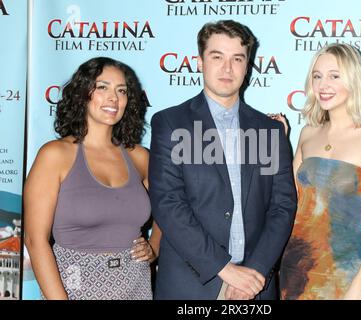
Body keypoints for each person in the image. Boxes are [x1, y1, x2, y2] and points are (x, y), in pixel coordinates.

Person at [149, 20, 297, 300]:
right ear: (200, 62)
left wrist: (255, 271)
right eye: (217, 57)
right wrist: (224, 269)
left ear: (248, 66)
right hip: (190, 287)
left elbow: (282, 206)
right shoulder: (170, 123)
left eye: (237, 59)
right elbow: (168, 203)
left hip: (255, 287)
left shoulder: (270, 131)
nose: (227, 68)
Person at [24, 57, 161, 300]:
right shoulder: (55, 155)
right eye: (103, 87)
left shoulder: (139, 157)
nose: (113, 98)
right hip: (74, 289)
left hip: (135, 287)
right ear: (83, 93)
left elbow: (170, 209)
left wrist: (155, 246)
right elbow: (35, 241)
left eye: (122, 91)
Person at [276, 43, 361, 300]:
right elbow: (287, 201)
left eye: (334, 75)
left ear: (353, 79)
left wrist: (359, 286)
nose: (323, 84)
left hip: (348, 271)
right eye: (317, 76)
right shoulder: (307, 133)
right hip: (296, 268)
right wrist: (277, 145)